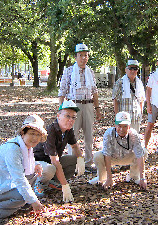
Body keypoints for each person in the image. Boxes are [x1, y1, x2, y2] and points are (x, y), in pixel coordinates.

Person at [0, 115, 47, 220]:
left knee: (34, 174)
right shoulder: (13, 149)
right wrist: (34, 201)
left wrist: (36, 164)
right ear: (23, 133)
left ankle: (22, 201)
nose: (35, 138)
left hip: (6, 181)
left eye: (38, 135)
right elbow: (19, 179)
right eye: (32, 134)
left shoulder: (26, 146)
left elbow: (26, 165)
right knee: (21, 197)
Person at [58, 43, 102, 172]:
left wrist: (97, 108)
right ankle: (73, 164)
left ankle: (88, 163)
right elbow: (62, 91)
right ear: (76, 57)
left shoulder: (90, 71)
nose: (84, 58)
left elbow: (94, 91)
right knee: (72, 135)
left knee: (89, 136)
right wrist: (61, 110)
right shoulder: (69, 71)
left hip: (88, 105)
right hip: (73, 105)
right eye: (81, 55)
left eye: (86, 55)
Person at [33, 100, 85, 202]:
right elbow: (54, 161)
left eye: (73, 117)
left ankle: (51, 182)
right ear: (58, 116)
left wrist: (80, 158)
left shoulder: (68, 130)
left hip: (52, 163)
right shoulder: (50, 131)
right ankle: (39, 183)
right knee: (51, 168)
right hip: (37, 164)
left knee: (74, 160)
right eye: (67, 116)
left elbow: (75, 146)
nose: (71, 120)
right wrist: (65, 185)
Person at [89, 112, 148, 190]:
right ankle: (103, 178)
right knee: (98, 156)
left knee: (144, 152)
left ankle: (134, 176)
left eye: (125, 126)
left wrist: (142, 178)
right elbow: (107, 154)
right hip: (113, 158)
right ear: (115, 125)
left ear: (129, 126)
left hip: (127, 156)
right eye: (119, 126)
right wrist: (109, 178)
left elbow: (139, 155)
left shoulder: (134, 134)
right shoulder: (109, 133)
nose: (121, 129)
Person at [112, 59, 145, 133]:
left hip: (135, 118)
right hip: (123, 118)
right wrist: (117, 117)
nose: (133, 71)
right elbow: (115, 100)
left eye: (135, 69)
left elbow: (141, 99)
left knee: (134, 139)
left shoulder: (139, 83)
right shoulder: (120, 83)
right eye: (130, 68)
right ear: (126, 70)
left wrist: (141, 113)